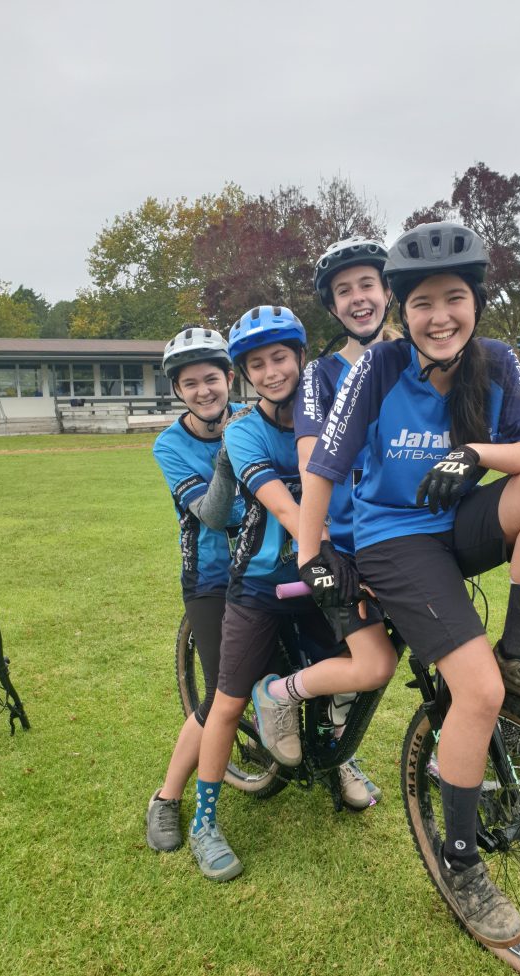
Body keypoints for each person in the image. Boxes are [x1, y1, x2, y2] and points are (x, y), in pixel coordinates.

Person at [297, 222, 520, 948]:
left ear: (476, 303)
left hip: (456, 521)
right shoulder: (380, 365)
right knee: (478, 693)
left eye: (454, 298)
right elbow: (324, 465)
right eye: (423, 303)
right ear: (403, 313)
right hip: (393, 538)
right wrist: (312, 556)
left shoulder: (497, 362)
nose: (440, 317)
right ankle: (460, 863)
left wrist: (475, 453)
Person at [188, 305, 397, 881]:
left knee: (344, 678)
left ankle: (337, 760)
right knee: (227, 702)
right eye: (257, 365)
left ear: (301, 358)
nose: (271, 372)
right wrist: (324, 543)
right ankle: (204, 821)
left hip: (322, 578)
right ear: (244, 375)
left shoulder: (327, 411)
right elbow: (283, 505)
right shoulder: (243, 431)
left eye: (280, 358)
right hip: (260, 581)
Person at [292, 236, 395, 806]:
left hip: (409, 534)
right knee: (367, 663)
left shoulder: (412, 360)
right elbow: (311, 459)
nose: (358, 298)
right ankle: (329, 742)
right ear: (333, 307)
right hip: (349, 544)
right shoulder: (321, 374)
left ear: (387, 292)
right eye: (344, 291)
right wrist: (321, 542)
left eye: (367, 285)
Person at [146, 325, 245, 853]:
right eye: (190, 383)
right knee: (222, 694)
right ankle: (167, 797)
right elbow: (212, 513)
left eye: (211, 378)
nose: (204, 390)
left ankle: (336, 760)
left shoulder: (254, 419)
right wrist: (232, 451)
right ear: (178, 391)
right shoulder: (170, 445)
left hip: (266, 570)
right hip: (210, 579)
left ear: (229, 378)